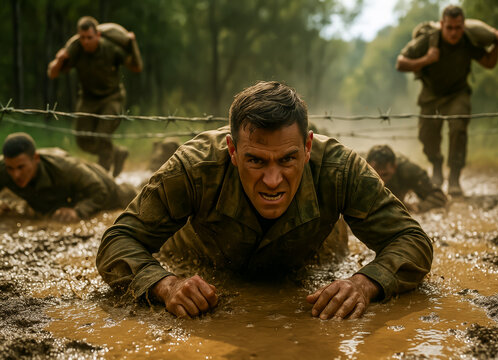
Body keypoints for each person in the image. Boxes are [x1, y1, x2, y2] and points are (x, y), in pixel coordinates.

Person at [96, 81, 433, 320]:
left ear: (307, 147)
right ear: (232, 150)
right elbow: (117, 241)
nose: (272, 181)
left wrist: (364, 283)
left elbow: (412, 239)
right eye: (256, 160)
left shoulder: (339, 169)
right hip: (195, 255)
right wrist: (166, 285)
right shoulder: (194, 167)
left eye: (287, 159)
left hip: (315, 254)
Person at [396, 5, 498, 196]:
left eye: (458, 27)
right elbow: (401, 63)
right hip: (431, 95)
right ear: (442, 25)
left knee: (458, 128)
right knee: (427, 136)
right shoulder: (429, 40)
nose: (454, 32)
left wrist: (497, 44)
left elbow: (489, 63)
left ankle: (454, 177)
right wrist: (426, 60)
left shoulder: (467, 40)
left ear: (463, 26)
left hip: (458, 94)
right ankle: (436, 164)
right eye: (450, 28)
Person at [48, 16, 143, 177]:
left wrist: (132, 43)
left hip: (112, 97)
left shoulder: (110, 48)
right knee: (83, 141)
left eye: (89, 38)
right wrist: (59, 60)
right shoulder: (77, 49)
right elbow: (52, 73)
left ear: (98, 35)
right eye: (82, 37)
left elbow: (136, 67)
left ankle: (102, 176)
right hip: (87, 98)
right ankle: (117, 152)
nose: (86, 42)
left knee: (101, 136)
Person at [0, 132, 137, 222]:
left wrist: (77, 211)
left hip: (105, 186)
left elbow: (100, 190)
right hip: (64, 197)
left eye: (21, 167)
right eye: (10, 168)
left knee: (133, 197)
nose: (16, 175)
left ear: (35, 158)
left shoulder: (65, 168)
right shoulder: (3, 168)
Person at [366, 145, 447, 212]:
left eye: (384, 175)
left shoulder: (407, 171)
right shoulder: (360, 173)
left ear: (394, 167)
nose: (380, 181)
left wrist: (416, 208)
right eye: (375, 175)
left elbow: (438, 197)